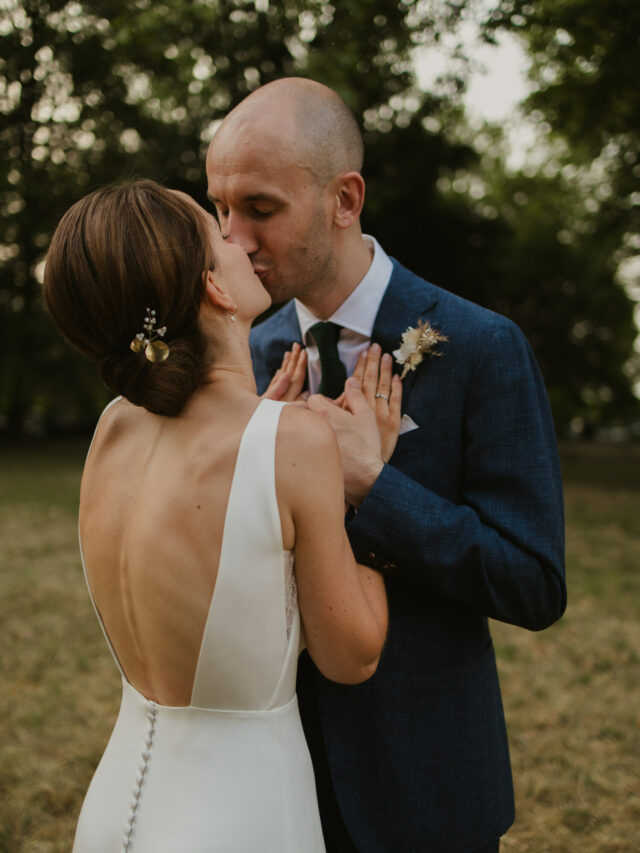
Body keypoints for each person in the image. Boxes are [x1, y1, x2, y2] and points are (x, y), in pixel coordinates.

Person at [206, 77, 567, 853]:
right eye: (221, 209)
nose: (233, 239)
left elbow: (534, 581)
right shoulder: (246, 360)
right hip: (278, 785)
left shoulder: (481, 348)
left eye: (260, 208)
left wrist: (374, 486)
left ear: (345, 198)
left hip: (428, 782)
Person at [43, 179, 393, 852]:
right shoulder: (294, 442)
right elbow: (352, 655)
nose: (240, 240)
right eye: (219, 233)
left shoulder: (112, 428)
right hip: (245, 817)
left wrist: (268, 426)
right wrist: (360, 483)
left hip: (113, 812)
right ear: (218, 289)